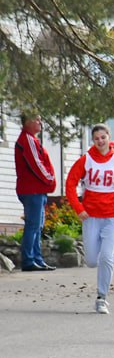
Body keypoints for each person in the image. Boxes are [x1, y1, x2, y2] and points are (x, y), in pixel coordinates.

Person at [65, 124, 114, 314]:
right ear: (93, 140)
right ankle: (101, 274)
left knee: (107, 258)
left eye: (103, 137)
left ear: (109, 137)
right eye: (96, 138)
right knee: (91, 260)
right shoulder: (86, 160)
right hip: (91, 216)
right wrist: (78, 207)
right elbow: (70, 184)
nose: (100, 141)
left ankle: (102, 297)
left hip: (113, 217)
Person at [14, 114, 57, 271]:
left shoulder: (32, 139)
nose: (40, 122)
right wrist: (50, 179)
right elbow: (36, 164)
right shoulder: (27, 139)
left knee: (38, 225)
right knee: (33, 225)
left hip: (37, 190)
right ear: (27, 122)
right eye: (36, 119)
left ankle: (37, 258)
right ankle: (28, 260)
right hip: (32, 189)